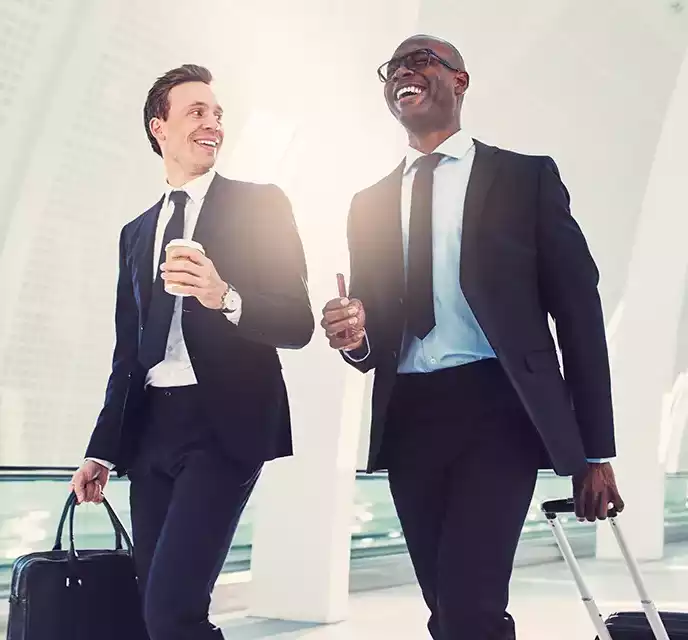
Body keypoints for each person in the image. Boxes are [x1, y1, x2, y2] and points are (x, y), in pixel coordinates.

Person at [320, 35, 624, 639]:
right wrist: (353, 335)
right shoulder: (367, 204)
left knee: (469, 608)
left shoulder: (525, 178)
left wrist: (596, 451)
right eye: (394, 68)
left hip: (498, 411)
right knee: (449, 611)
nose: (404, 71)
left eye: (422, 60)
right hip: (410, 417)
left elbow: (579, 314)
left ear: (460, 81)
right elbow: (373, 341)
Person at [69, 64, 314, 639]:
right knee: (155, 613)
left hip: (223, 423)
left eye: (218, 113)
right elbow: (126, 352)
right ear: (159, 127)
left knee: (172, 611)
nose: (213, 124)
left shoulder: (261, 205)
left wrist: (222, 295)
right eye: (196, 112)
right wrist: (101, 450)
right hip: (152, 429)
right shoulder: (136, 232)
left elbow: (297, 322)